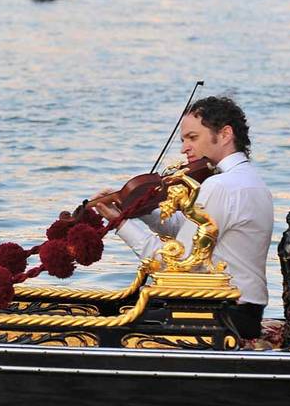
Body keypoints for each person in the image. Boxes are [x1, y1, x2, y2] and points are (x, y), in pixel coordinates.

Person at [93, 96, 273, 340]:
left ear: (225, 134)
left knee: (100, 324)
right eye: (183, 140)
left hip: (222, 317)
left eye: (192, 138)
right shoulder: (247, 179)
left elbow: (176, 264)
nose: (184, 148)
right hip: (242, 311)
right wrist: (142, 210)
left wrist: (122, 224)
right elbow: (187, 231)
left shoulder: (221, 186)